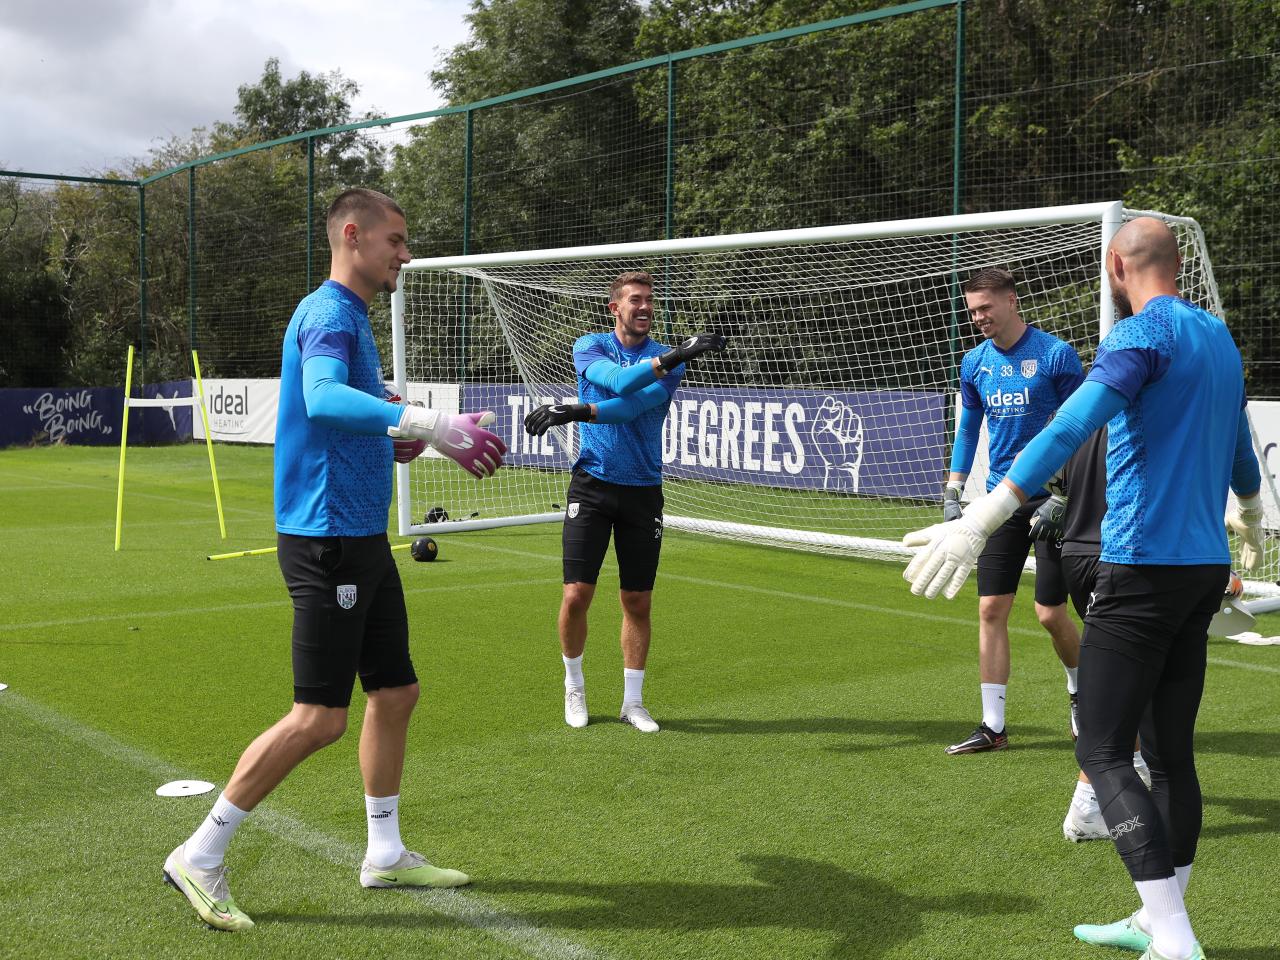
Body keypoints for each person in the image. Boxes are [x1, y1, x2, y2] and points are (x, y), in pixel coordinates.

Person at [905, 217, 1264, 960]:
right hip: (1201, 568)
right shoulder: (1219, 338)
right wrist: (1255, 515)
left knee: (1103, 750)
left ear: (1114, 265)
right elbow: (1235, 444)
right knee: (1170, 756)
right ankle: (1154, 917)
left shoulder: (1139, 338)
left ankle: (1172, 936)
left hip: (1141, 568)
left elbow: (1070, 426)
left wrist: (982, 516)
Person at [162, 188, 507, 931]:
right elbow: (321, 400)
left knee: (397, 692)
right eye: (397, 241)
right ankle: (199, 854)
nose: (405, 255)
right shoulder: (326, 312)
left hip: (361, 536)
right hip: (325, 540)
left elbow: (353, 409)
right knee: (319, 717)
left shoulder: (352, 317)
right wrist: (430, 419)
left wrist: (406, 434)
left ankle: (384, 853)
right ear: (353, 235)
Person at [523, 271, 725, 733]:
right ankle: (574, 687)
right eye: (635, 300)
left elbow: (631, 405)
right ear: (615, 307)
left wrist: (578, 410)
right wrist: (676, 353)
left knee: (637, 600)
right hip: (591, 484)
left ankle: (633, 702)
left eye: (649, 300)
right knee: (576, 595)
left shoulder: (670, 361)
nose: (645, 307)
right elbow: (614, 381)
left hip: (643, 489)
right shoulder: (589, 345)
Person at [941, 267, 1085, 755]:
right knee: (990, 607)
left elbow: (1084, 427)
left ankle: (1080, 695)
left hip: (1053, 497)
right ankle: (993, 726)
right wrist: (955, 487)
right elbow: (967, 430)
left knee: (1048, 613)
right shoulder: (974, 363)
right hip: (999, 499)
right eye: (972, 311)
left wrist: (1065, 494)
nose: (978, 318)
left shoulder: (1056, 355)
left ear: (1012, 301)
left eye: (985, 308)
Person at [1032, 426, 1152, 843]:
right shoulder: (1131, 413)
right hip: (1114, 553)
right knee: (1127, 676)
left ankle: (1133, 761)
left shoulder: (1091, 410)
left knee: (1132, 672)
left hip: (1088, 550)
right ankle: (1087, 802)